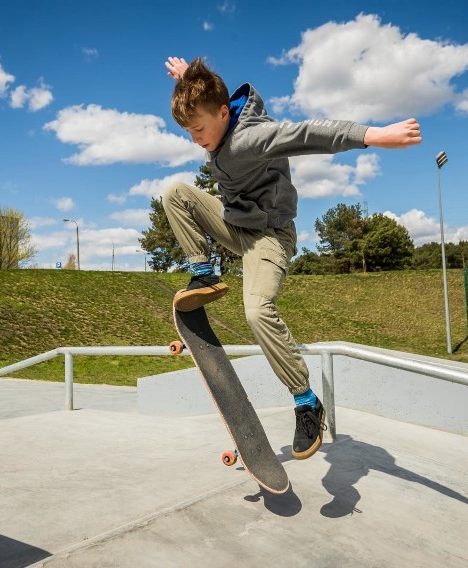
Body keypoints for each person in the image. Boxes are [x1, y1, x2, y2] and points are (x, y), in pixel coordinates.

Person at [162, 56, 421, 460]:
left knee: (257, 312)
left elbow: (308, 133)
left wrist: (374, 134)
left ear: (224, 113)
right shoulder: (213, 111)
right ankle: (203, 272)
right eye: (188, 131)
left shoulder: (254, 138)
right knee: (175, 193)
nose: (195, 139)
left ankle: (306, 402)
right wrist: (185, 78)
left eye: (198, 129)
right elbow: (205, 97)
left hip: (269, 237)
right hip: (236, 225)